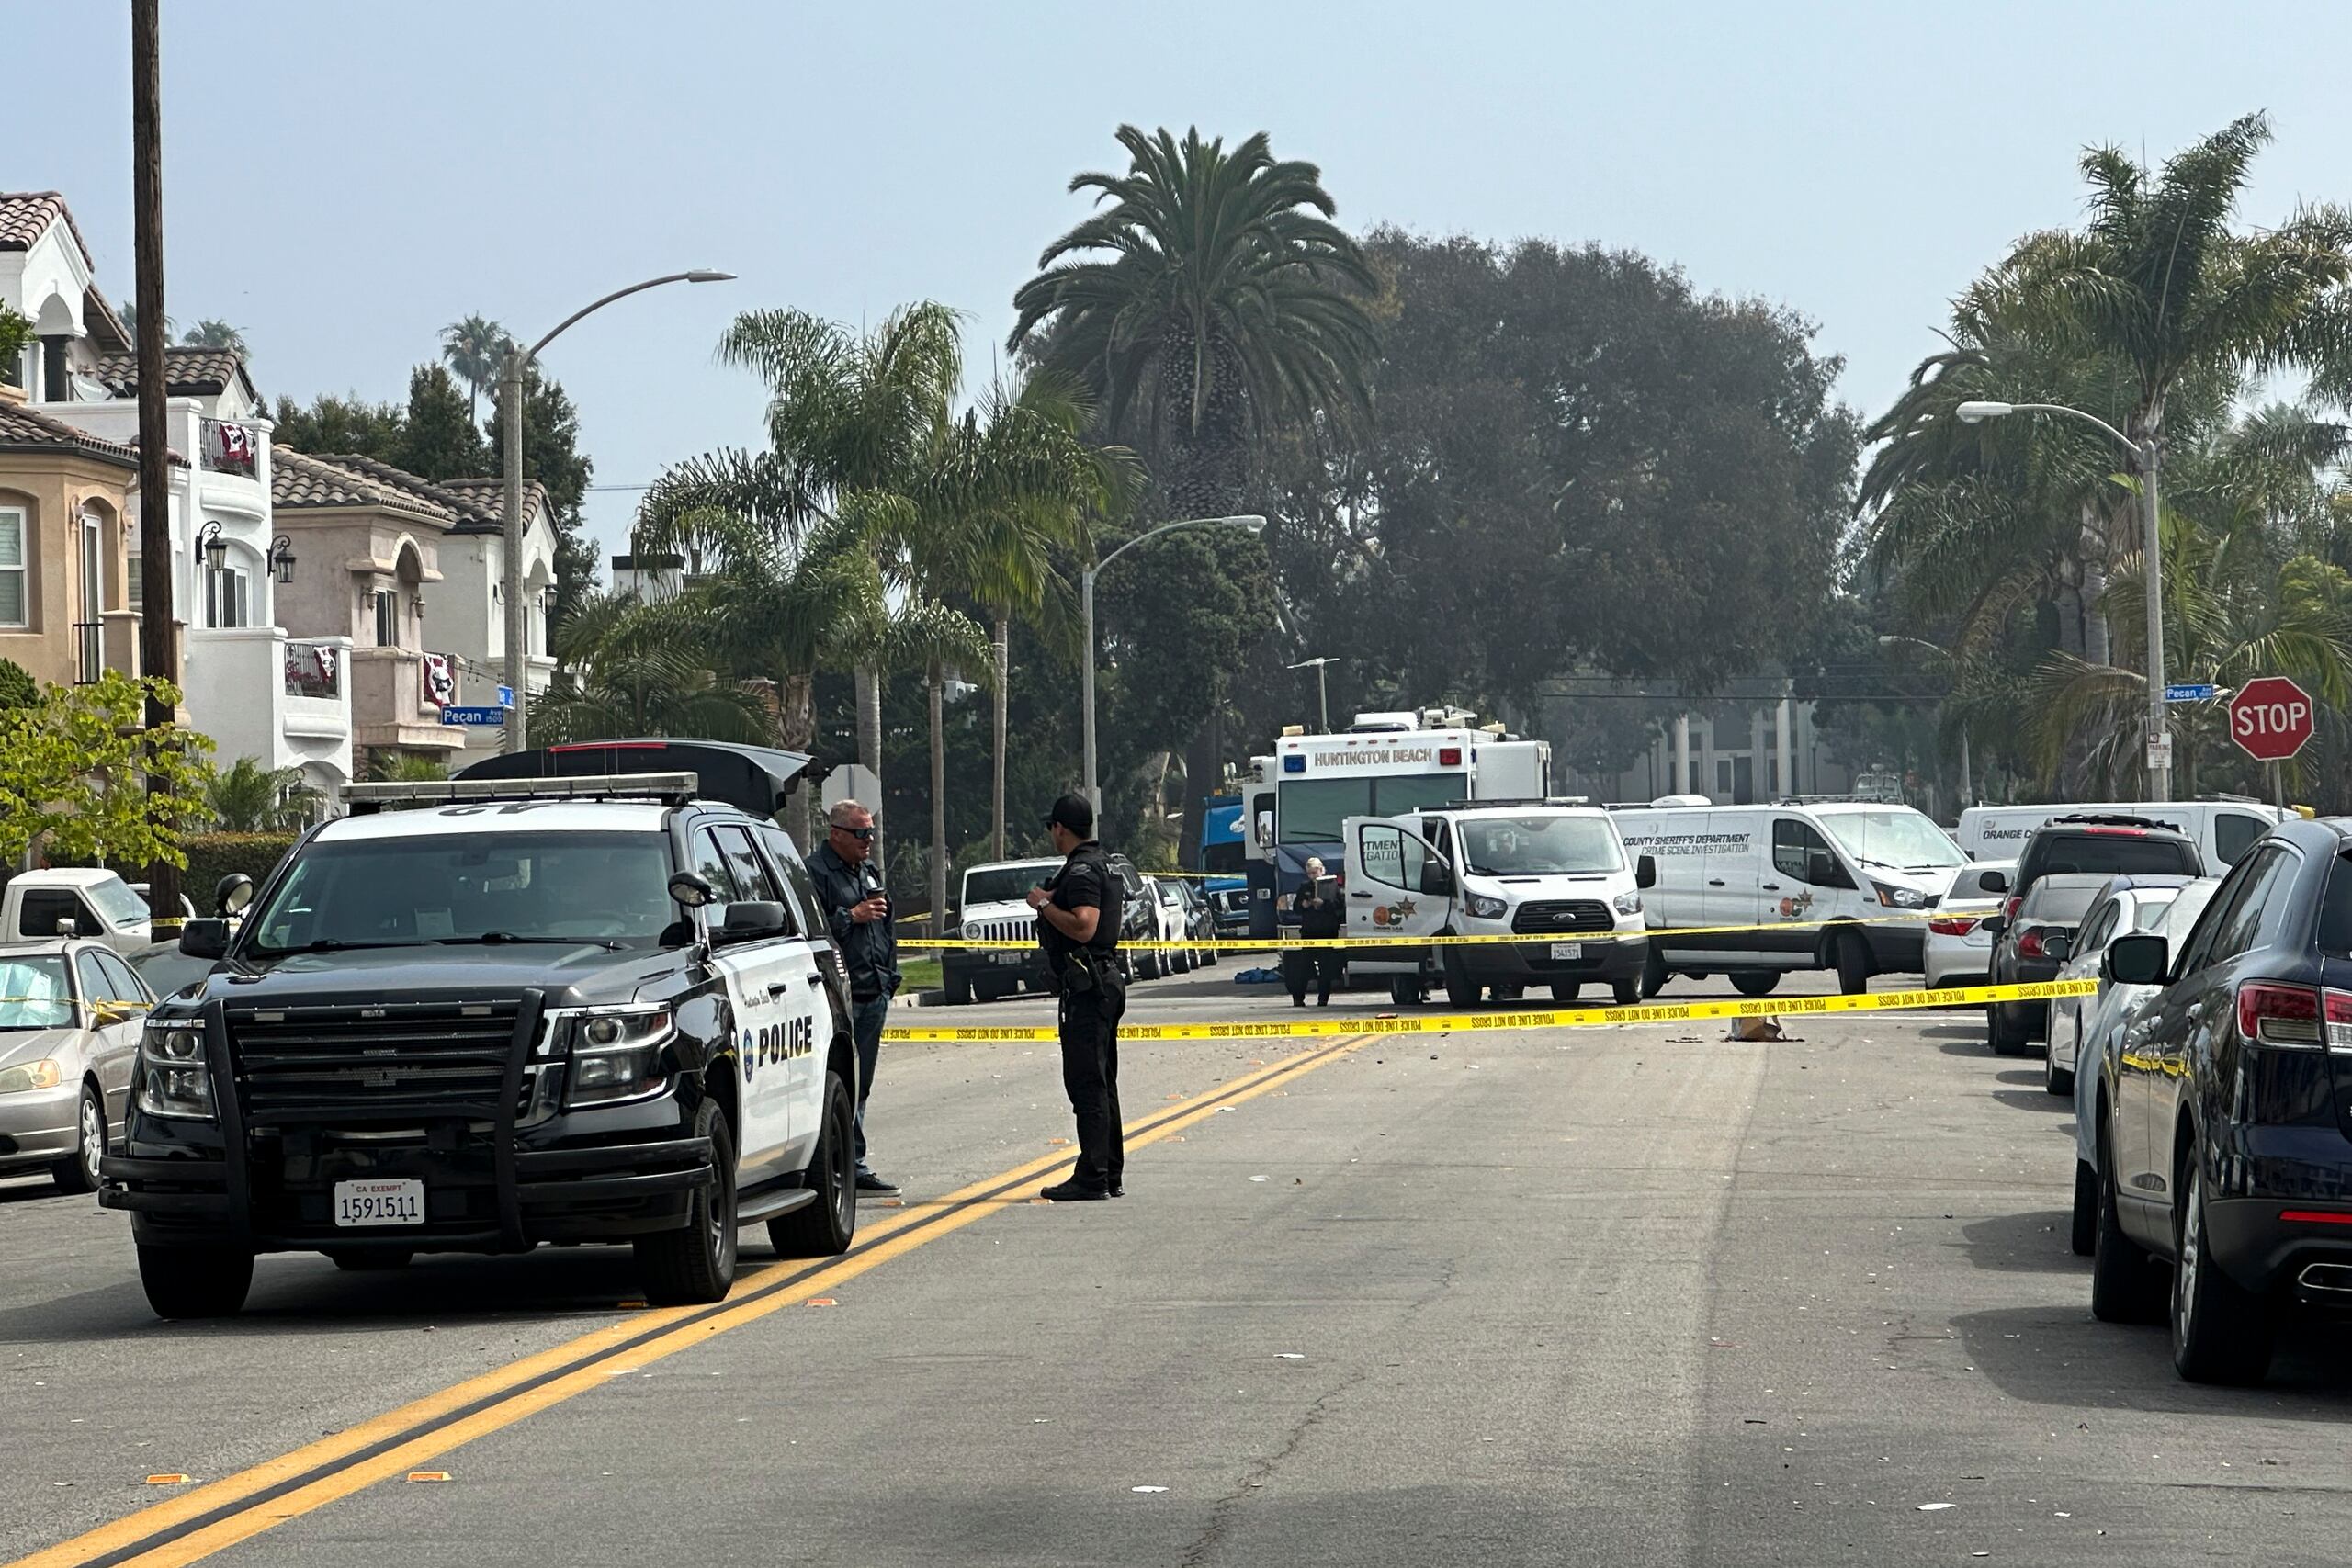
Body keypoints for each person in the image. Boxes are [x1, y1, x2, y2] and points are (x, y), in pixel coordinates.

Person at [1026, 792, 1125, 1201]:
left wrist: (1044, 905)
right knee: (1103, 1083)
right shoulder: (1100, 862)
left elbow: (1084, 927)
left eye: (1052, 827)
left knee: (1087, 1084)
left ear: (1060, 828)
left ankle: (1093, 1176)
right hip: (1099, 982)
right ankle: (1108, 1173)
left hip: (1089, 985)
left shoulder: (1083, 871)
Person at [806, 799, 900, 1195]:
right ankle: (845, 1163)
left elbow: (886, 926)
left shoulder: (868, 870)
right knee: (840, 1082)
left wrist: (891, 977)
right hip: (841, 996)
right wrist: (851, 916)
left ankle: (853, 1160)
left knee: (861, 1084)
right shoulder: (815, 873)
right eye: (861, 833)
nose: (869, 840)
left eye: (871, 831)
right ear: (837, 834)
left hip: (874, 990)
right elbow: (812, 933)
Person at [1286, 856, 1346, 1007]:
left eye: (1315, 872)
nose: (1313, 876)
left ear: (1322, 870)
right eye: (1310, 874)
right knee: (1303, 967)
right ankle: (1298, 999)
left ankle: (1323, 999)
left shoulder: (1332, 886)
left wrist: (1324, 904)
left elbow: (1340, 909)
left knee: (1327, 969)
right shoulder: (1304, 886)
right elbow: (1296, 908)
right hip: (1309, 932)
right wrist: (1304, 905)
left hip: (1327, 932)